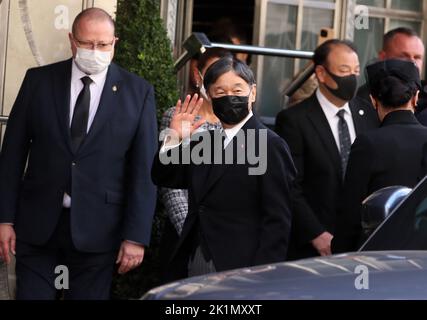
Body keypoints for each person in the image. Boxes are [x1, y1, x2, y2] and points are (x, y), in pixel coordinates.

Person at [0, 8, 157, 299]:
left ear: (115, 43)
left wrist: (135, 237)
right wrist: (4, 218)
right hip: (37, 226)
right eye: (87, 44)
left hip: (99, 230)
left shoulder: (139, 92)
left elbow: (144, 170)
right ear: (72, 41)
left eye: (103, 45)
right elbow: (11, 155)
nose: (95, 51)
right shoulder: (38, 82)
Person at [152, 57, 296, 281]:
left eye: (237, 89)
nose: (230, 97)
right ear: (209, 96)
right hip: (195, 258)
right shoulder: (205, 141)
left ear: (253, 93)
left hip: (242, 265)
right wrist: (173, 138)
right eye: (220, 92)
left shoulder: (269, 144)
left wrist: (262, 276)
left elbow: (277, 219)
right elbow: (165, 176)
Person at [275, 39, 379, 260]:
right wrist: (316, 234)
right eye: (344, 70)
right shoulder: (294, 120)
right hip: (313, 248)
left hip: (362, 244)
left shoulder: (369, 113)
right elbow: (289, 185)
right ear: (321, 73)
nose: (351, 77)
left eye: (356, 71)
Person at [333, 59, 427, 253]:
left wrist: (340, 252)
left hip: (376, 256)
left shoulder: (368, 143)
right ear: (416, 98)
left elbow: (351, 216)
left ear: (374, 100)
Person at [159, 48, 231, 237]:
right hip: (185, 232)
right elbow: (170, 185)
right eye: (211, 73)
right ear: (197, 76)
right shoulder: (177, 116)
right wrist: (191, 231)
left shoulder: (241, 124)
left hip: (228, 235)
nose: (217, 82)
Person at [356, 27, 427, 123]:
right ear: (383, 57)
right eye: (403, 56)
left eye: (417, 57)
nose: (412, 62)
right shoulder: (364, 98)